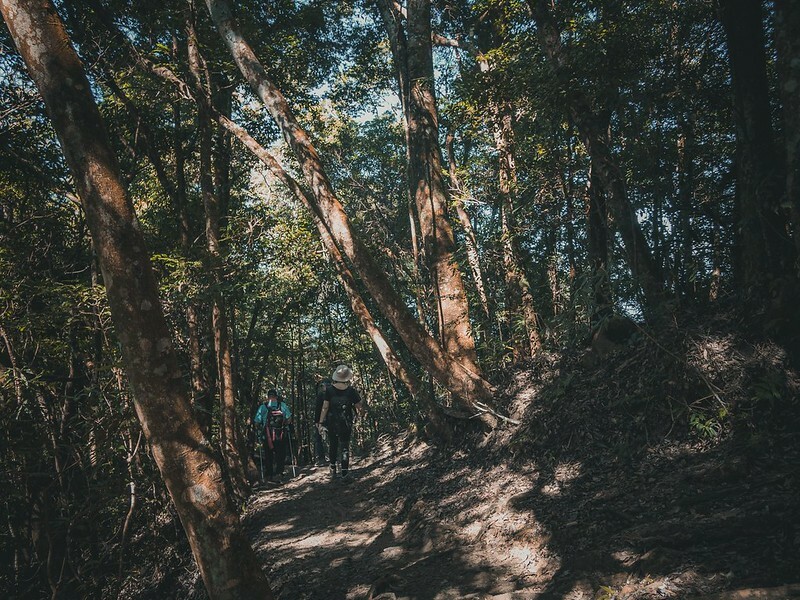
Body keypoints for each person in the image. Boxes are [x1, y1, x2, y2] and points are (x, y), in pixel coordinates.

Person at [318, 365, 362, 479]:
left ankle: (332, 467)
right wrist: (360, 416)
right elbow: (359, 407)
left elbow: (325, 407)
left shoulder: (329, 390)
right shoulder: (351, 391)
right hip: (346, 422)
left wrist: (321, 422)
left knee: (333, 444)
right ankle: (344, 473)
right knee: (344, 446)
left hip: (332, 422)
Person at [254, 388, 292, 482]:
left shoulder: (263, 407)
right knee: (280, 454)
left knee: (268, 455)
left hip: (267, 436)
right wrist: (285, 425)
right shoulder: (282, 405)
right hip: (281, 434)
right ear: (276, 396)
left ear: (268, 397)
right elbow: (289, 418)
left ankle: (269, 475)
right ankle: (279, 473)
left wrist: (259, 429)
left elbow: (257, 422)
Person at [313, 379, 332, 466]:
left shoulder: (321, 395)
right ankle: (330, 457)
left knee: (318, 439)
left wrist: (317, 421)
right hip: (330, 419)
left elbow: (318, 409)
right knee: (330, 438)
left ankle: (322, 458)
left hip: (324, 420)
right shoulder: (333, 394)